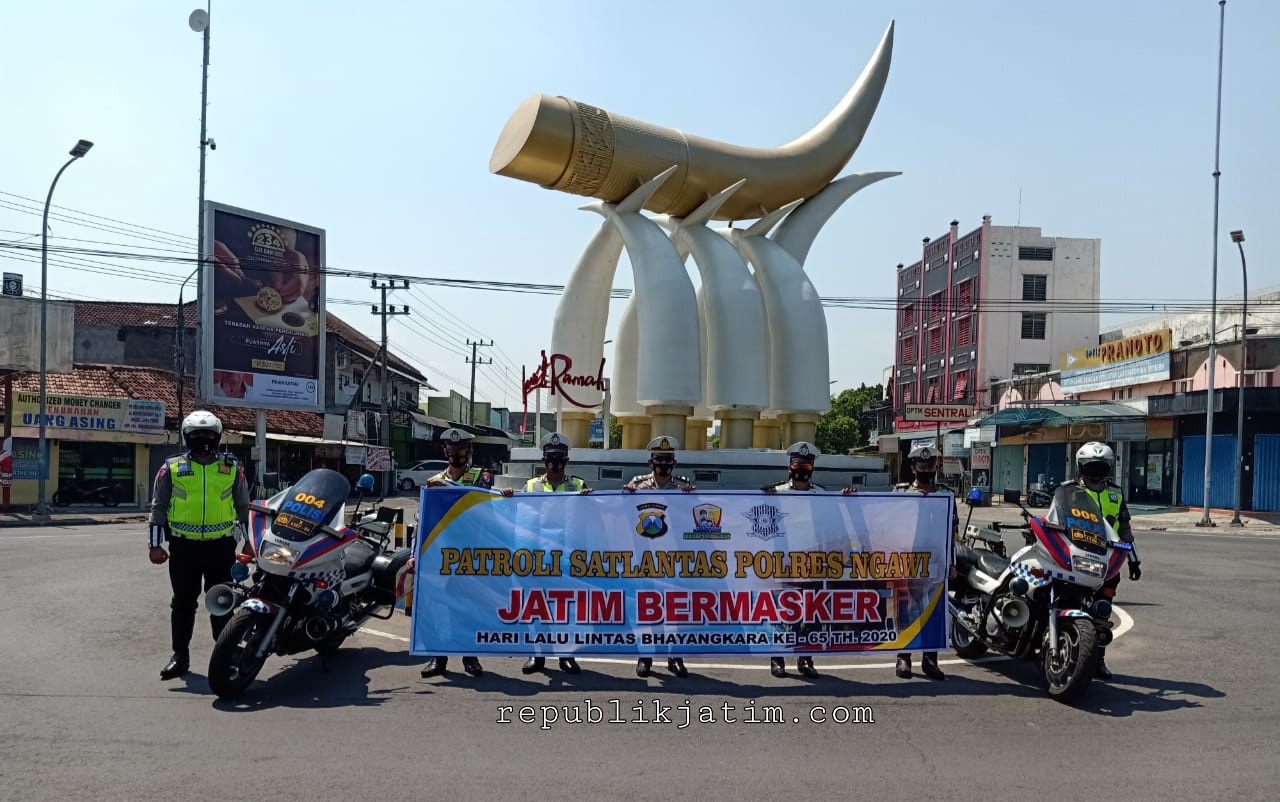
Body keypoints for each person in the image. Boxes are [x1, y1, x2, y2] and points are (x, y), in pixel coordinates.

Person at [148, 410, 250, 680]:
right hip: (183, 548)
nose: (203, 439)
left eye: (208, 435)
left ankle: (225, 653)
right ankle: (180, 656)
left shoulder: (231, 467)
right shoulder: (170, 467)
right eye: (196, 435)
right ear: (186, 437)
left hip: (221, 547)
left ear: (217, 437)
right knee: (183, 603)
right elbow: (158, 508)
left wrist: (250, 543)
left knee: (223, 602)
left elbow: (243, 507)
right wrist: (155, 545)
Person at [500, 432, 593, 676]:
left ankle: (566, 656)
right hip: (537, 558)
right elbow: (515, 514)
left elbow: (591, 516)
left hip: (565, 558)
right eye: (551, 458)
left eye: (560, 458)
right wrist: (509, 497)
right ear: (544, 459)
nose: (555, 463)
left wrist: (591, 500)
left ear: (567, 460)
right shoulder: (531, 486)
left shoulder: (578, 485)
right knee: (538, 607)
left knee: (564, 609)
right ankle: (537, 654)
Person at [1060, 441, 1140, 681]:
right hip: (1075, 556)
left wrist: (1134, 560)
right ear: (1080, 467)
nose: (1095, 472)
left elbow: (1125, 529)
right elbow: (1054, 519)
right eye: (1090, 466)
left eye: (1101, 467)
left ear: (1109, 468)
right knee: (1065, 601)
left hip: (1107, 561)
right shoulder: (1069, 490)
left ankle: (1098, 661)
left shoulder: (1116, 493)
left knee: (1101, 612)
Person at [419, 427, 491, 679]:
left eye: (460, 450)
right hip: (442, 555)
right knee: (438, 607)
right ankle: (438, 658)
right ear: (445, 452)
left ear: (469, 451)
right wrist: (416, 553)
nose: (456, 455)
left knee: (468, 607)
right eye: (451, 451)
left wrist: (445, 486)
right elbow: (425, 520)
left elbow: (476, 499)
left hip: (471, 554)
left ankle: (470, 658)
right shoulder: (434, 480)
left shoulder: (480, 475)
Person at [622, 435, 695, 678]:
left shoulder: (683, 487)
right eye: (659, 462)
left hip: (674, 557)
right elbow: (621, 514)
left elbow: (694, 518)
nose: (663, 467)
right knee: (647, 608)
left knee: (674, 609)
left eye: (667, 462)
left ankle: (675, 656)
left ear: (674, 464)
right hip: (645, 557)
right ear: (650, 463)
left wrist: (693, 498)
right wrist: (625, 496)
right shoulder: (638, 484)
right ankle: (646, 656)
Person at [891, 445, 956, 681]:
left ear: (936, 468)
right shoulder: (900, 493)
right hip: (908, 560)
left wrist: (952, 563)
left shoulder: (946, 496)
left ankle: (930, 661)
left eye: (930, 466)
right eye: (921, 465)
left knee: (934, 611)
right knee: (908, 609)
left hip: (936, 562)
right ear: (913, 468)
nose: (926, 469)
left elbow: (952, 533)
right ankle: (904, 658)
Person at [762, 441, 825, 679]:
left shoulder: (820, 494)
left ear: (812, 469)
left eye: (806, 466)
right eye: (798, 465)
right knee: (780, 611)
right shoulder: (776, 493)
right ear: (790, 467)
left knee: (808, 612)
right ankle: (777, 659)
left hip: (810, 562)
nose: (802, 470)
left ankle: (805, 658)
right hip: (783, 560)